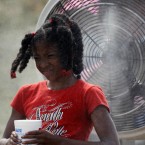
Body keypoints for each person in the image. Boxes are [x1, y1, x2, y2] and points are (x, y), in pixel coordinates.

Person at [0, 14, 120, 145]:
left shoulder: (89, 93)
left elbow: (112, 142)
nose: (43, 64)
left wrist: (58, 142)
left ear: (68, 54)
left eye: (50, 56)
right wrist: (9, 142)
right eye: (37, 58)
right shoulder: (26, 93)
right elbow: (3, 139)